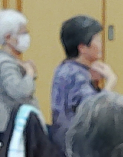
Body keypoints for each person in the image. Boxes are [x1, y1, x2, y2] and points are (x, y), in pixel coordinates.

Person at [49, 15, 114, 146]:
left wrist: (95, 84)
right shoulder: (74, 74)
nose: (101, 44)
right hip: (75, 147)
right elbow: (95, 111)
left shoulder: (67, 68)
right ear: (82, 47)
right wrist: (111, 81)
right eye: (97, 40)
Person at [0, 9, 37, 138]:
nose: (27, 37)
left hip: (15, 125)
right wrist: (30, 73)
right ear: (8, 37)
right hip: (8, 127)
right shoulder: (5, 63)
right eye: (23, 33)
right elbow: (20, 92)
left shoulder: (8, 60)